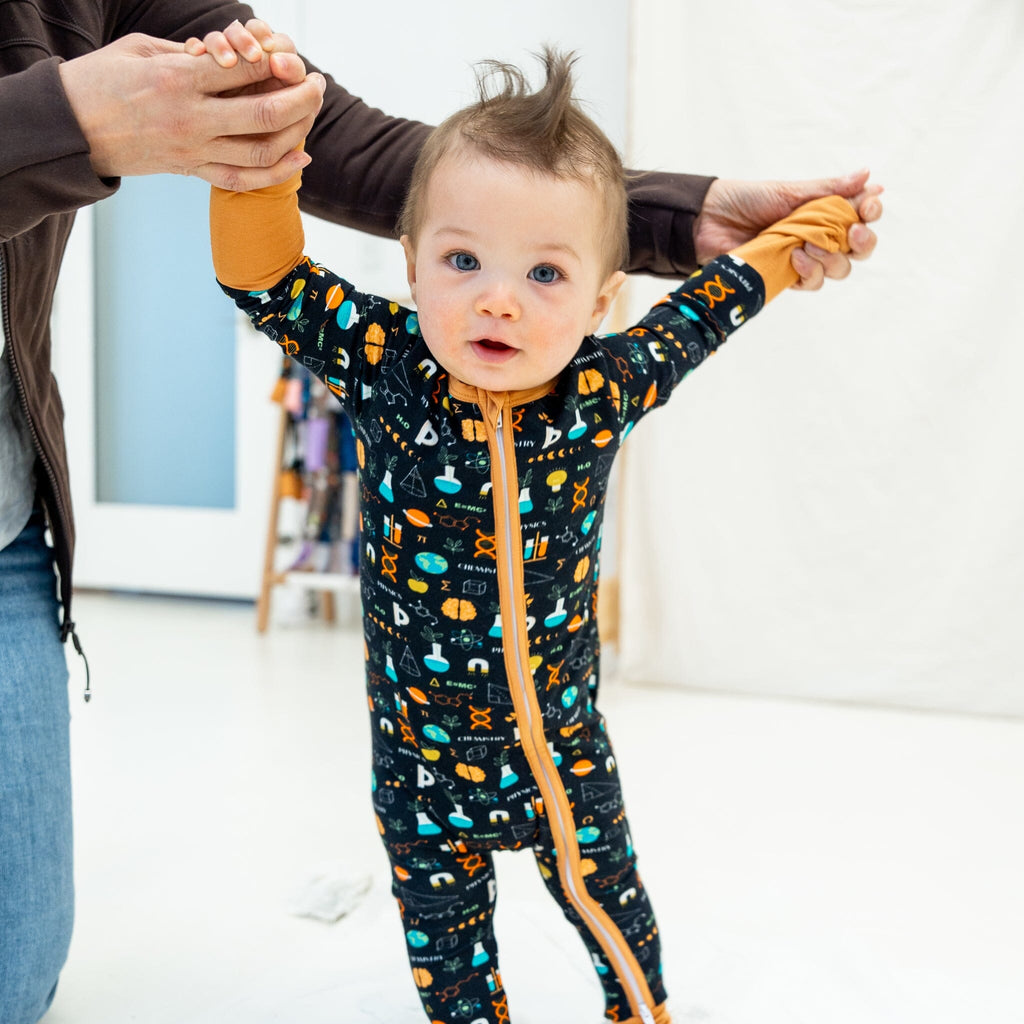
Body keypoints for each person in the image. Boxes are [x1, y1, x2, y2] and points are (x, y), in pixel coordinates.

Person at [0, 5, 879, 1022]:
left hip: (564, 762)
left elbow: (714, 302)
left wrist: (800, 229)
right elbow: (266, 276)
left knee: (615, 916)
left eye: (545, 274)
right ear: (410, 261)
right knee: (450, 958)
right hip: (419, 775)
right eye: (463, 263)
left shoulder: (606, 385)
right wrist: (258, 174)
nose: (497, 299)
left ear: (601, 301)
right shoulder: (384, 366)